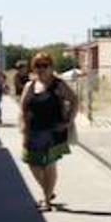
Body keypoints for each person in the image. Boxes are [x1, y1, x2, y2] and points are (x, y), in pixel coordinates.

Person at [20, 52, 77, 211]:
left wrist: (68, 121)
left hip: (53, 131)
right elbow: (23, 107)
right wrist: (23, 127)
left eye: (45, 65)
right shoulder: (29, 86)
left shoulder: (58, 84)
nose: (41, 69)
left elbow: (74, 100)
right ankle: (48, 191)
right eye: (37, 65)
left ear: (51, 67)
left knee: (48, 164)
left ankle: (46, 201)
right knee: (32, 163)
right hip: (33, 131)